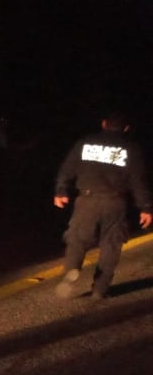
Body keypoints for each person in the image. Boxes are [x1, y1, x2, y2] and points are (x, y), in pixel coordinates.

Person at [54, 111, 152, 299]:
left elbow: (66, 169)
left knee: (77, 240)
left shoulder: (85, 143)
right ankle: (100, 288)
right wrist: (146, 207)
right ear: (126, 128)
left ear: (104, 124)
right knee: (111, 244)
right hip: (115, 203)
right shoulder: (131, 149)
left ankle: (71, 270)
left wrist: (61, 191)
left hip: (87, 201)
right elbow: (138, 182)